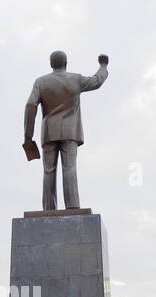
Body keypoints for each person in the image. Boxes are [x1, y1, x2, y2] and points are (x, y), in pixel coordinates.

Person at [23, 50, 109, 210]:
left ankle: (49, 209)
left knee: (49, 171)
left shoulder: (41, 82)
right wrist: (103, 66)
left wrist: (28, 137)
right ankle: (73, 207)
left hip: (49, 132)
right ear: (66, 63)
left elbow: (30, 105)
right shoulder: (75, 79)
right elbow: (96, 81)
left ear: (51, 65)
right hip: (70, 131)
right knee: (69, 167)